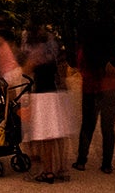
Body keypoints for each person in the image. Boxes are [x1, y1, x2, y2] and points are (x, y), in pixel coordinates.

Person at [23, 23, 74, 184]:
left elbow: (26, 70)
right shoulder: (53, 49)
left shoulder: (36, 51)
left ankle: (48, 171)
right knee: (56, 134)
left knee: (45, 135)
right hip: (55, 93)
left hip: (42, 95)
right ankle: (60, 169)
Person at [73, 26, 115, 175]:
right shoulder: (113, 48)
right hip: (112, 89)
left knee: (88, 125)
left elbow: (81, 66)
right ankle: (107, 164)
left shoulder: (87, 49)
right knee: (108, 127)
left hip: (92, 89)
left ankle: (81, 161)